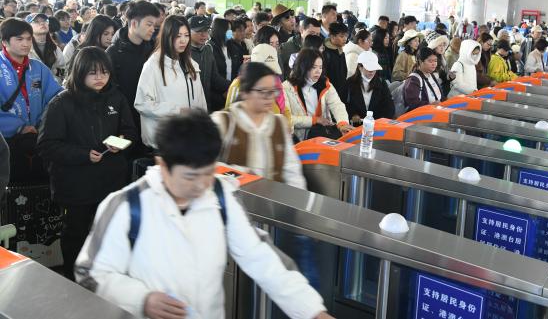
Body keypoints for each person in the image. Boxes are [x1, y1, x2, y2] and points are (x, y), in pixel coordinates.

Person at [75, 109, 332, 319]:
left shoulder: (221, 197)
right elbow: (90, 274)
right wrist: (141, 299)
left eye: (209, 173)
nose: (201, 185)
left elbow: (263, 259)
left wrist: (313, 311)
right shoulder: (127, 206)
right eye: (190, 176)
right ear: (162, 164)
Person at [37, 47, 137, 280]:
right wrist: (83, 154)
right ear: (80, 72)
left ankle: (105, 279)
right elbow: (47, 145)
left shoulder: (116, 97)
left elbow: (131, 131)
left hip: (110, 181)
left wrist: (122, 141)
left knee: (109, 233)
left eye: (104, 72)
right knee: (76, 235)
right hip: (75, 185)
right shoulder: (61, 103)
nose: (100, 78)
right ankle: (74, 280)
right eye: (93, 73)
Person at [214, 61, 300, 185]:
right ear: (245, 92)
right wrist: (241, 173)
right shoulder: (223, 122)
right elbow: (206, 165)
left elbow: (292, 170)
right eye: (262, 91)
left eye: (273, 91)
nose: (270, 97)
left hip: (275, 200)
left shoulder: (279, 123)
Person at [0, 18, 61, 182]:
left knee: (38, 183)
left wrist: (44, 123)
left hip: (38, 137)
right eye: (19, 39)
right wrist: (19, 127)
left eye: (28, 38)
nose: (26, 44)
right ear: (5, 41)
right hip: (6, 143)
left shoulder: (38, 67)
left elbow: (56, 97)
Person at [135, 16, 207, 149]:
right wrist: (177, 111)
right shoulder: (153, 65)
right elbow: (142, 103)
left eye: (186, 35)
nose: (183, 40)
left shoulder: (192, 64)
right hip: (164, 144)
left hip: (190, 140)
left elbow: (200, 101)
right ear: (167, 36)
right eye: (178, 36)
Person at [106, 0, 160, 132]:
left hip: (150, 116)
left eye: (154, 25)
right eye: (149, 24)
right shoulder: (113, 52)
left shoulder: (153, 48)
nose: (153, 29)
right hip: (124, 119)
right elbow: (109, 89)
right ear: (134, 23)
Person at [283, 48, 353, 141]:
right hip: (298, 139)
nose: (318, 71)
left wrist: (342, 123)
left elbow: (337, 105)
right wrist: (315, 120)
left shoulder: (325, 84)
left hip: (323, 135)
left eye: (320, 67)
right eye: (313, 67)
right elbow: (288, 119)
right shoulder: (286, 87)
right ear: (303, 66)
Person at [188, 15, 230, 112]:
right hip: (189, 108)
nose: (204, 35)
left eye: (206, 31)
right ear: (188, 32)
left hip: (206, 105)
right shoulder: (183, 53)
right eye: (199, 31)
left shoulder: (207, 50)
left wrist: (234, 85)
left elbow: (214, 77)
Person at [345, 51, 394, 123]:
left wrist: (382, 120)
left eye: (374, 68)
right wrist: (352, 115)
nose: (372, 71)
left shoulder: (381, 82)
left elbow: (389, 106)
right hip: (356, 126)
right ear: (360, 67)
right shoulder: (350, 83)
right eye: (369, 68)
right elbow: (344, 104)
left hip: (377, 125)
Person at [27, 12, 65, 82]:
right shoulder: (26, 49)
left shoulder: (55, 48)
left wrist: (55, 76)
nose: (42, 23)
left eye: (44, 21)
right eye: (36, 21)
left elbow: (63, 70)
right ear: (28, 27)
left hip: (55, 88)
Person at [403, 46, 444, 112]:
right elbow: (413, 104)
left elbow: (440, 96)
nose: (434, 64)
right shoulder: (413, 79)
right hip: (422, 116)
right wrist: (430, 105)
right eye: (430, 61)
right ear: (421, 61)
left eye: (435, 61)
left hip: (436, 111)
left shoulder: (431, 74)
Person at [323, 22, 349, 103]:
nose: (345, 39)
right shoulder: (325, 53)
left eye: (346, 36)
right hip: (329, 96)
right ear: (332, 36)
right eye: (342, 36)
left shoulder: (341, 52)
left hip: (340, 95)